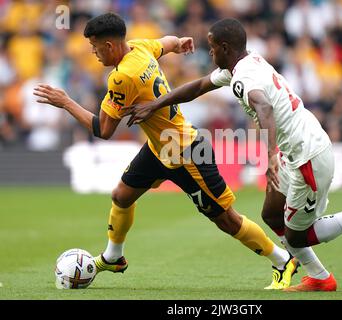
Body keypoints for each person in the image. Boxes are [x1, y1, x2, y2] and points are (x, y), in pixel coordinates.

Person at [124, 18, 342, 292]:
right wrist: (155, 105)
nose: (208, 52)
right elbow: (197, 87)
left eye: (211, 46)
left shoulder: (244, 78)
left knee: (298, 236)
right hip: (294, 149)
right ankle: (319, 277)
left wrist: (270, 155)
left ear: (224, 47)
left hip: (309, 156)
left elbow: (264, 107)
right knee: (272, 214)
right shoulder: (243, 64)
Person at [33, 13, 298, 290]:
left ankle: (282, 260)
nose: (94, 53)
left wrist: (65, 102)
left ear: (110, 45)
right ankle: (114, 257)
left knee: (227, 220)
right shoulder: (138, 47)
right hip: (160, 147)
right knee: (121, 196)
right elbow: (167, 42)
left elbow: (104, 130)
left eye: (95, 47)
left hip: (185, 151)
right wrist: (180, 42)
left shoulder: (123, 77)